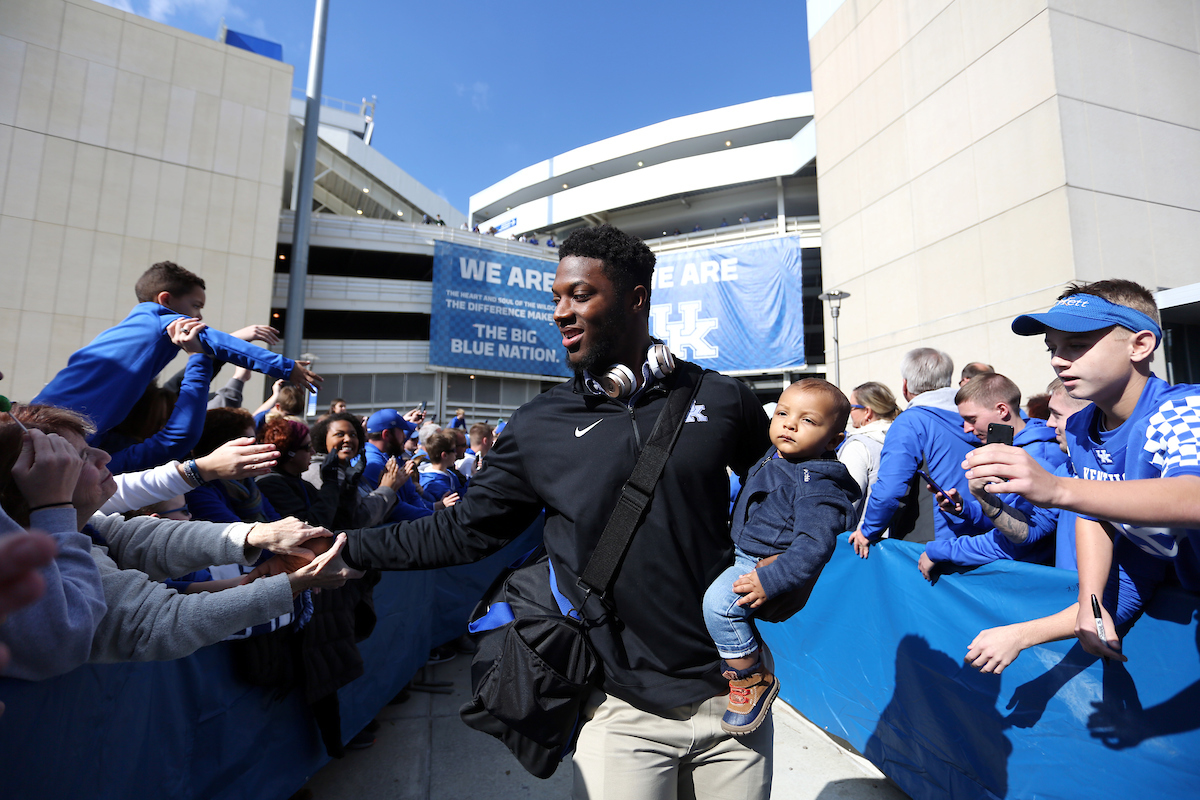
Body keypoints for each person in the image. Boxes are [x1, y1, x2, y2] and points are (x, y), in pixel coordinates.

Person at [328, 224, 774, 798]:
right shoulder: (538, 423)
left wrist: (787, 574)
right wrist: (347, 547)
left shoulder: (724, 397)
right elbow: (465, 532)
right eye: (556, 298)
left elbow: (783, 493)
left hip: (736, 695)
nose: (561, 311)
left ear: (637, 299)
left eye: (580, 295)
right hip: (619, 707)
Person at [0, 404, 355, 667]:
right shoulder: (35, 548)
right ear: (34, 483)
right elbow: (157, 621)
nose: (104, 455)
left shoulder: (79, 524)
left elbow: (134, 537)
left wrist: (256, 536)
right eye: (78, 457)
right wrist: (288, 585)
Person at [965, 279, 1200, 661]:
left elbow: (1193, 497)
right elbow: (1097, 511)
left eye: (1076, 344)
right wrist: (1092, 602)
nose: (1058, 359)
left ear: (1140, 345)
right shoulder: (1079, 426)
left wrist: (1058, 488)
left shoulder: (1185, 409)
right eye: (1052, 348)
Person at [963, 377, 1169, 673]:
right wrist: (985, 498)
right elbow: (1031, 530)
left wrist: (1019, 635)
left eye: (1056, 414)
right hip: (1077, 620)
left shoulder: (1138, 478)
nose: (1047, 424)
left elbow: (1122, 594)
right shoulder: (1068, 468)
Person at [702, 379, 858, 734]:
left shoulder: (816, 486)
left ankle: (750, 678)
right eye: (783, 413)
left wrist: (771, 580)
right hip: (739, 549)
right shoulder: (776, 455)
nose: (789, 424)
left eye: (808, 421)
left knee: (719, 606)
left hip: (757, 564)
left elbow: (813, 545)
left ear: (834, 440)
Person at [33, 261, 320, 436]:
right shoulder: (158, 318)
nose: (199, 317)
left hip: (51, 414)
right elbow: (216, 342)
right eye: (196, 306)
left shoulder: (138, 323)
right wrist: (286, 367)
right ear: (166, 300)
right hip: (60, 422)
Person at [916, 373, 1066, 580]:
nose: (967, 429)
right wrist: (965, 509)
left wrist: (941, 551)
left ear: (1002, 410)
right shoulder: (1012, 449)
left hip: (1036, 581)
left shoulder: (1039, 458)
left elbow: (1018, 537)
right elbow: (1007, 515)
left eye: (971, 419)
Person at [848, 348, 983, 556]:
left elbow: (890, 490)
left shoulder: (910, 422)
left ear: (905, 385)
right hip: (982, 537)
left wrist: (868, 531)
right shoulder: (978, 417)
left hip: (930, 547)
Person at [837, 381, 899, 523]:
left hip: (861, 539)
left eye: (852, 408)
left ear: (867, 412)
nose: (849, 413)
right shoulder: (903, 440)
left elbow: (846, 503)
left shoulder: (858, 446)